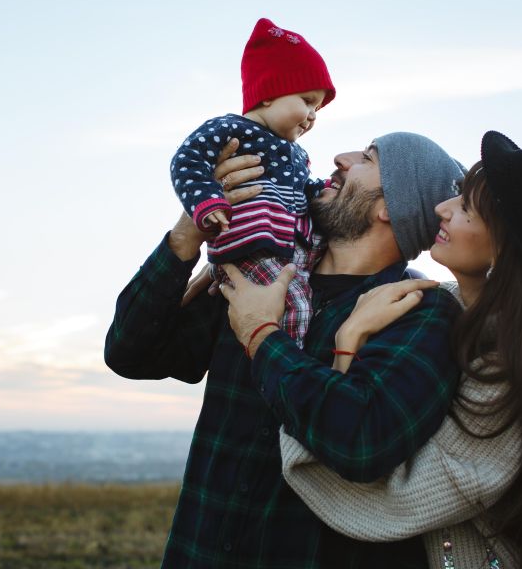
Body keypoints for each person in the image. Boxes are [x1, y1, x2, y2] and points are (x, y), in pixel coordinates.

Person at [249, 131, 522, 568]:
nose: (442, 209)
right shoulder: (442, 305)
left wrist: (339, 345)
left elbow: (387, 498)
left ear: (505, 248)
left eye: (465, 207)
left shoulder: (511, 371)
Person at [105, 132, 467, 568]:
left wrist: (262, 335)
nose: (341, 158)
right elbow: (130, 353)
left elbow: (363, 443)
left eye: (368, 158)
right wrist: (186, 234)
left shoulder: (420, 312)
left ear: (390, 208)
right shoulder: (261, 268)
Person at [169, 17, 336, 345]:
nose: (314, 115)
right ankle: (284, 366)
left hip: (285, 248)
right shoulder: (231, 129)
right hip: (248, 244)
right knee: (296, 308)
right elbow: (187, 161)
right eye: (307, 101)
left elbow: (301, 189)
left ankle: (288, 361)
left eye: (318, 107)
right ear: (270, 93)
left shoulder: (297, 154)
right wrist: (206, 201)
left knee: (302, 299)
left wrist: (321, 190)